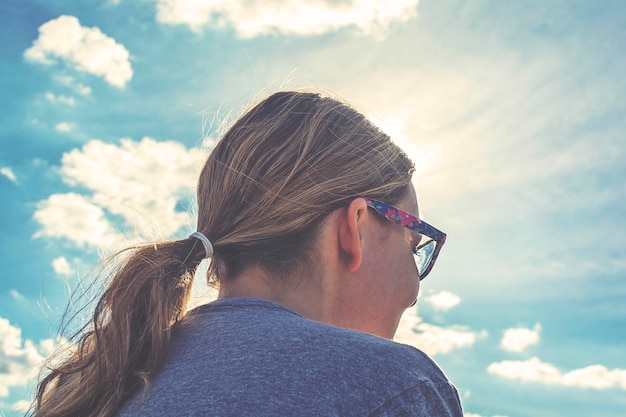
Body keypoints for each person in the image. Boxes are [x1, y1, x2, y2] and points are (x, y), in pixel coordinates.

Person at [31, 91, 462, 417]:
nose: (413, 290)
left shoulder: (105, 388)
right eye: (413, 242)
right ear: (357, 227)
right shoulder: (393, 388)